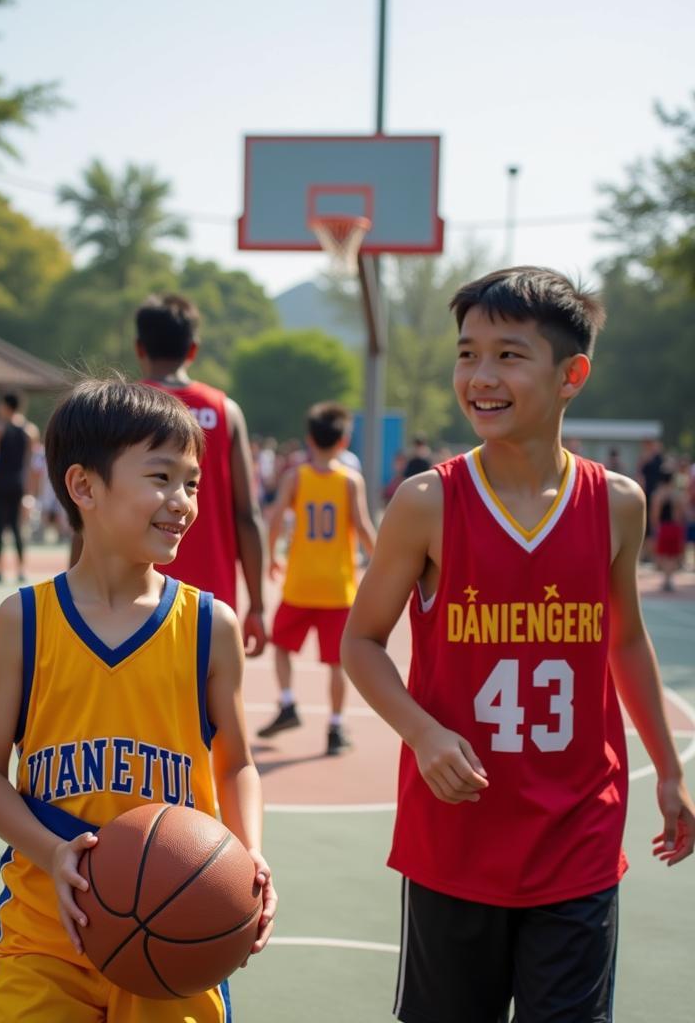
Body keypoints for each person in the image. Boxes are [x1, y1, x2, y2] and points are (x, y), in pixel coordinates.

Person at [341, 266, 695, 1023]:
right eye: (467, 354)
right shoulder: (428, 502)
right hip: (456, 839)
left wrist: (666, 770)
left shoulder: (616, 505)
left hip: (579, 834)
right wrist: (423, 732)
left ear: (572, 375)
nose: (481, 376)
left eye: (508, 354)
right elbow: (362, 642)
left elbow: (625, 640)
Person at [0, 378, 276, 1021]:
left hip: (178, 931)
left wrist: (248, 854)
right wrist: (50, 851)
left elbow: (238, 763)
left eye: (191, 483)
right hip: (44, 933)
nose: (183, 502)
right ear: (84, 487)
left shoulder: (208, 627)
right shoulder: (25, 620)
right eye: (161, 477)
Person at [134, 294, 267, 655]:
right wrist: (257, 604)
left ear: (139, 348)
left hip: (131, 597)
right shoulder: (226, 411)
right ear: (193, 350)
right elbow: (247, 514)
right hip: (212, 600)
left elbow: (90, 511)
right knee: (206, 708)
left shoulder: (122, 408)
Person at [258, 402, 376, 756]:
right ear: (345, 441)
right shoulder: (350, 481)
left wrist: (271, 558)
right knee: (337, 662)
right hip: (339, 588)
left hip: (301, 583)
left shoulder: (297, 477)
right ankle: (336, 727)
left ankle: (288, 702)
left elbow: (276, 518)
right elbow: (363, 525)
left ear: (309, 438)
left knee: (280, 646)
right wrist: (382, 562)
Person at [0, 391, 39, 584]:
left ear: (6, 406)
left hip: (2, 483)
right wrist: (31, 492)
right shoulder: (30, 430)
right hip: (19, 484)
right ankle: (21, 570)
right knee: (17, 528)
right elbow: (32, 465)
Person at [650, 461, 685, 592]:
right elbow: (681, 512)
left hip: (664, 527)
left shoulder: (658, 494)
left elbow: (655, 513)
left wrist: (655, 527)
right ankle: (669, 578)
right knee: (673, 554)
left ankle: (666, 578)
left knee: (664, 554)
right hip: (675, 526)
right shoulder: (677, 494)